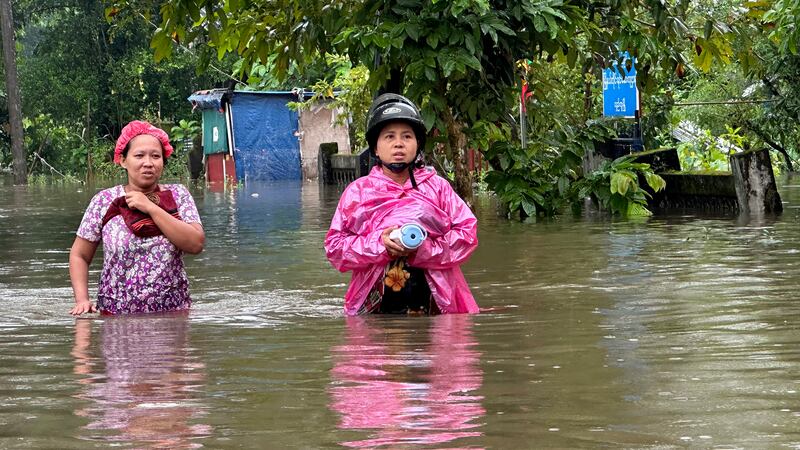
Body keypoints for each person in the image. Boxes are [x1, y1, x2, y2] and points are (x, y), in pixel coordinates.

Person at [324, 94, 479, 315]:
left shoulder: (439, 188)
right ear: (375, 148)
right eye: (389, 136)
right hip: (374, 306)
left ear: (418, 144)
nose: (398, 143)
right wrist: (380, 245)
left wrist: (424, 250)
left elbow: (467, 234)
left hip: (436, 304)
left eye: (407, 136)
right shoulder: (357, 193)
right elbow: (335, 248)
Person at [69, 120, 205, 315]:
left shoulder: (178, 195)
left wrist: (150, 207)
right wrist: (82, 300)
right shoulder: (104, 201)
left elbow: (195, 244)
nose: (148, 163)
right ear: (123, 160)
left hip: (173, 315)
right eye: (139, 155)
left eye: (155, 156)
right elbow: (79, 255)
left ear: (163, 161)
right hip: (115, 316)